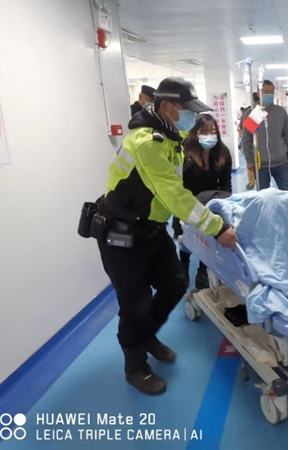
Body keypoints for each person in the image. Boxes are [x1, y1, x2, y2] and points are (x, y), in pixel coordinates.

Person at [97, 77, 238, 395]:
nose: (191, 116)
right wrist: (217, 227)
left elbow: (180, 183)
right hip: (121, 233)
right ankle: (135, 366)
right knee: (135, 303)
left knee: (175, 283)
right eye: (186, 109)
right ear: (167, 107)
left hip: (151, 228)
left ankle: (145, 334)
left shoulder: (171, 138)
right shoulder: (148, 143)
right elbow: (174, 195)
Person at [172, 114, 232, 289]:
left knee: (208, 240)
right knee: (186, 240)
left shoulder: (222, 153)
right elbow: (178, 186)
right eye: (204, 132)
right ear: (196, 132)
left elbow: (226, 185)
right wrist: (181, 213)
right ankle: (183, 265)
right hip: (187, 203)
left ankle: (202, 271)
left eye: (213, 131)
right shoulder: (185, 153)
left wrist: (225, 205)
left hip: (211, 203)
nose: (209, 136)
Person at [242, 80, 288, 191]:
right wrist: (249, 160)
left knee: (287, 193)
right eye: (266, 91)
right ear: (258, 93)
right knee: (263, 196)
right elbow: (247, 139)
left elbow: (287, 135)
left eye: (271, 92)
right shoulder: (254, 113)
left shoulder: (280, 112)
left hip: (281, 162)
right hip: (261, 165)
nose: (269, 94)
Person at [240, 93, 260, 190]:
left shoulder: (252, 111)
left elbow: (246, 135)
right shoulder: (256, 112)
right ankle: (252, 182)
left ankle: (252, 182)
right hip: (258, 152)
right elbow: (247, 136)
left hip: (256, 152)